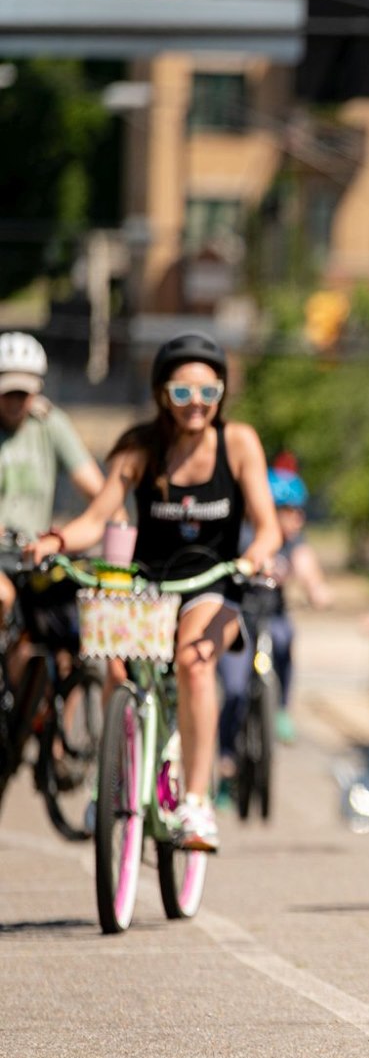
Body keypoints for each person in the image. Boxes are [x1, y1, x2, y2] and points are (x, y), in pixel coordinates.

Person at [30, 332, 281, 851]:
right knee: (115, 662)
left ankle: (195, 801)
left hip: (214, 583)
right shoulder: (138, 448)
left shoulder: (238, 444)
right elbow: (96, 519)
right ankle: (115, 781)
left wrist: (257, 555)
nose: (196, 407)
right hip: (149, 584)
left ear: (222, 395)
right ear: (162, 394)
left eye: (208, 395)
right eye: (183, 394)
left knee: (193, 660)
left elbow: (269, 525)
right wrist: (54, 541)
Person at [216, 466, 333, 801]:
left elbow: (306, 565)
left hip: (272, 617)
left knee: (284, 637)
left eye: (299, 510)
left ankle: (281, 707)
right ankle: (226, 763)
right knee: (236, 689)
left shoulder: (293, 542)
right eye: (288, 510)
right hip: (238, 619)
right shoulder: (241, 535)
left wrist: (317, 589)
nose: (297, 518)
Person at [0, 332, 105, 683]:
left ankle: (57, 732)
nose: (14, 401)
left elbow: (99, 492)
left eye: (22, 392)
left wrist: (113, 519)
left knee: (70, 635)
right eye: (7, 391)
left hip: (35, 553)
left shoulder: (50, 424)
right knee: (3, 599)